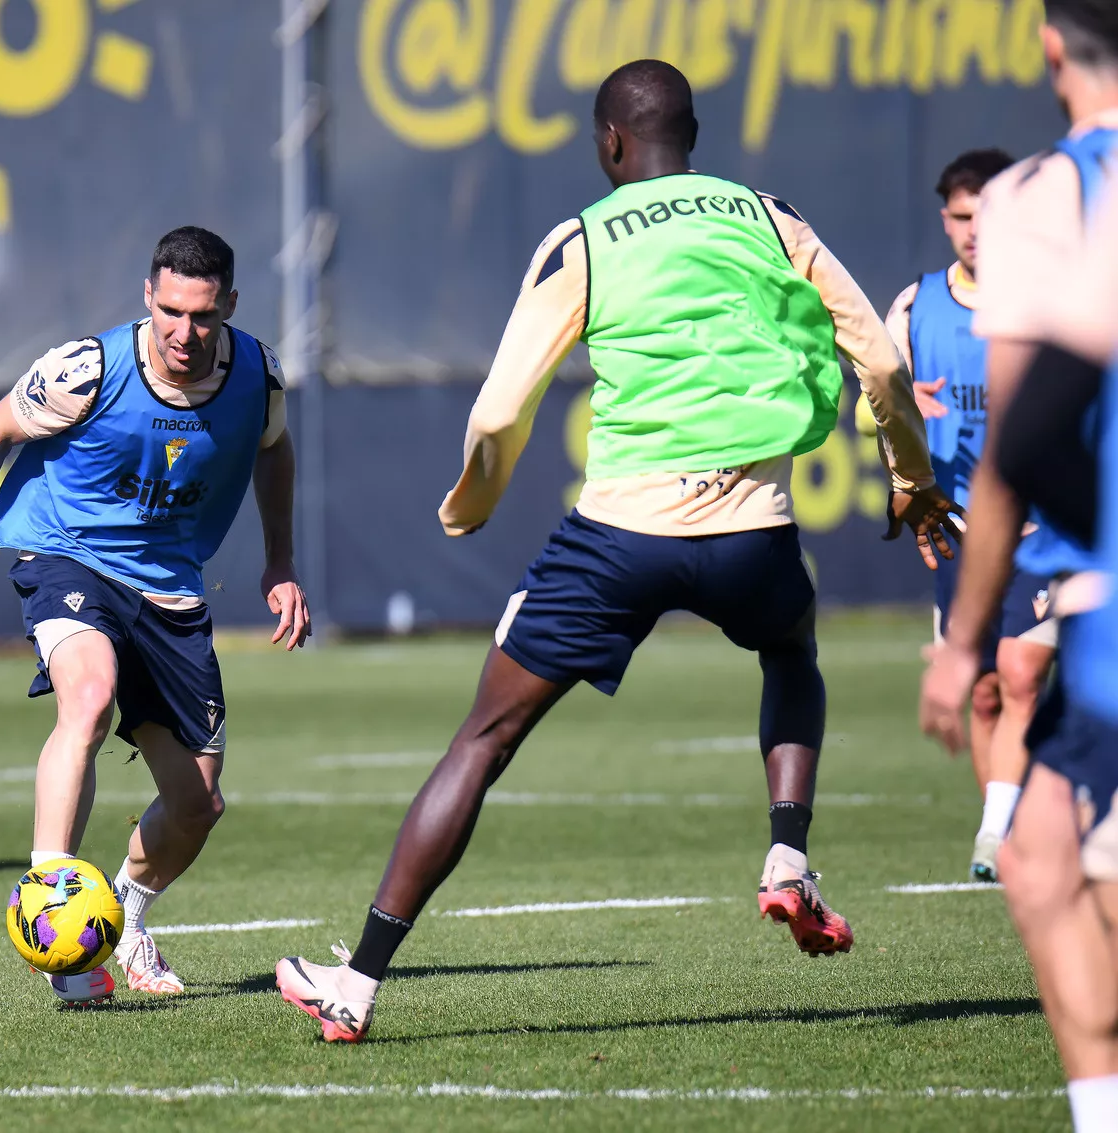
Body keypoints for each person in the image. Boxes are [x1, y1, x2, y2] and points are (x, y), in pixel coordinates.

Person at [276, 59, 958, 1044]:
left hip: (619, 537)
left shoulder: (582, 238)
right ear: (695, 135)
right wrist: (906, 471)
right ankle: (785, 856)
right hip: (750, 528)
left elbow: (500, 407)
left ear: (607, 142)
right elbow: (882, 361)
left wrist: (469, 504)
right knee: (789, 649)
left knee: (482, 739)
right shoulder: (770, 216)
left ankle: (358, 984)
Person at [0, 226, 309, 1005]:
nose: (184, 332)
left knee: (198, 803)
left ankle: (121, 916)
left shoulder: (258, 375)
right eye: (169, 311)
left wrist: (280, 559)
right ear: (148, 297)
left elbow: (275, 449)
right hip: (67, 556)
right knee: (87, 697)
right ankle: (52, 919)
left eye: (202, 315)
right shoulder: (85, 368)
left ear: (228, 304)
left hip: (168, 586)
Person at [920, 4, 1118, 1126]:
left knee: (1050, 862)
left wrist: (959, 641)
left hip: (1099, 598)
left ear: (1049, 49)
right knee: (1039, 848)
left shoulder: (1043, 196)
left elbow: (1017, 442)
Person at [877, 148, 1056, 881]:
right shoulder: (916, 306)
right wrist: (894, 413)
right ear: (945, 219)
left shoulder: (1053, 298)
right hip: (955, 530)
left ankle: (993, 839)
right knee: (983, 689)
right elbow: (872, 406)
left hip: (1043, 524)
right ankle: (1004, 834)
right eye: (961, 216)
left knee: (1020, 672)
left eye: (988, 214)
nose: (974, 230)